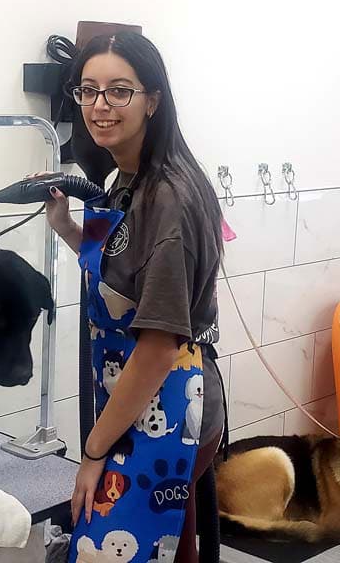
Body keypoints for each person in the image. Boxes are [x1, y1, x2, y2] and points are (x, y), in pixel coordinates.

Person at [41, 33, 226, 563]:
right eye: (89, 90)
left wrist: (94, 452)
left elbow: (159, 345)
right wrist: (66, 229)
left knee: (110, 549)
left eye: (120, 91)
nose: (101, 106)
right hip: (142, 392)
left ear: (153, 100)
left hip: (170, 399)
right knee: (169, 543)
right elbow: (125, 273)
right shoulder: (128, 174)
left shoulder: (166, 197)